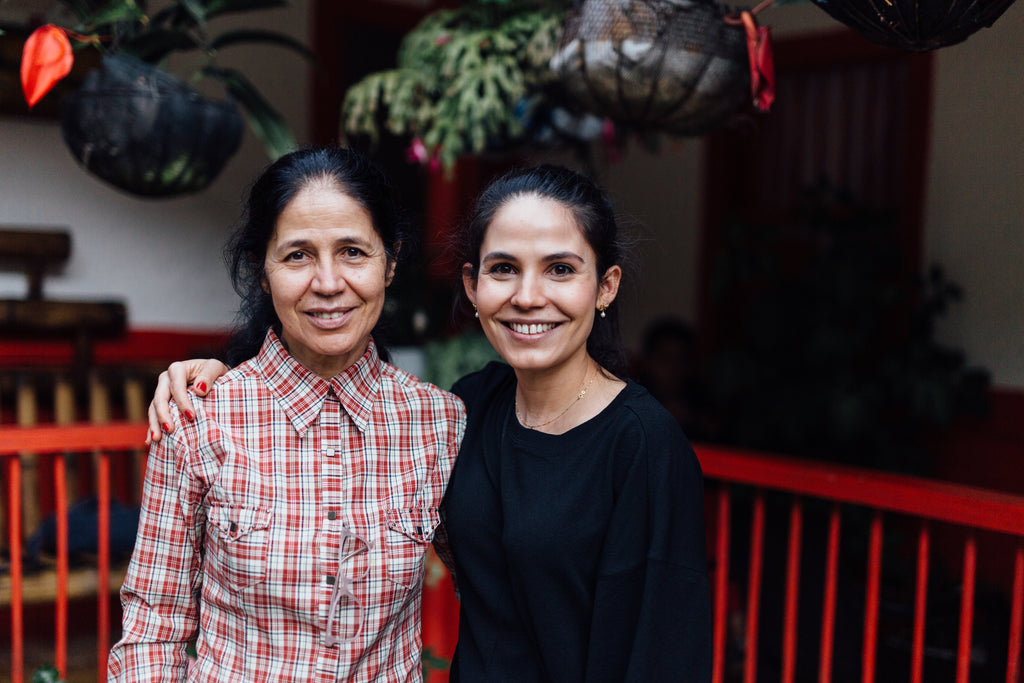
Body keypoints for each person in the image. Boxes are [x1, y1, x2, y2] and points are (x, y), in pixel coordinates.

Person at [148, 164, 712, 682]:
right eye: (297, 255)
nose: (529, 296)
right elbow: (155, 621)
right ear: (472, 286)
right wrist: (218, 377)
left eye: (561, 269)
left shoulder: (455, 423)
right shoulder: (471, 409)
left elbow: (662, 642)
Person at [109, 146, 466, 682]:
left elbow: (501, 591)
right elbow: (153, 629)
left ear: (390, 263)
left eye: (353, 252)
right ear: (262, 270)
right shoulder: (197, 418)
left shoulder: (439, 423)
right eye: (298, 255)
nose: (327, 283)